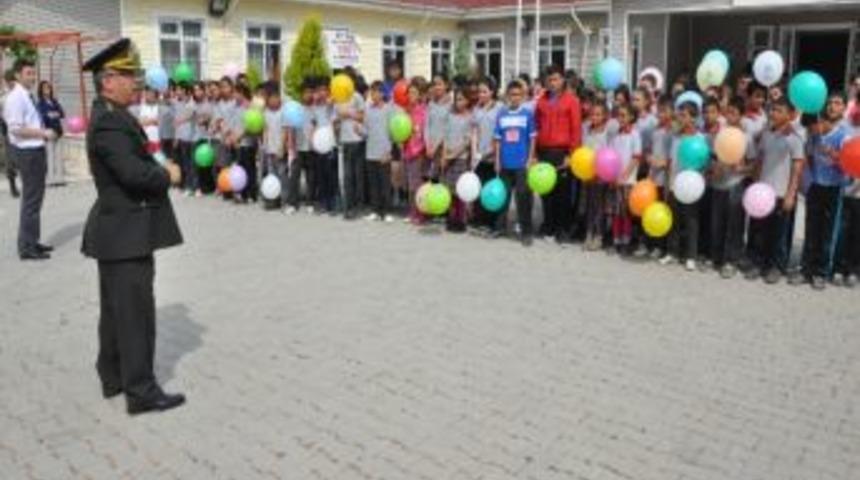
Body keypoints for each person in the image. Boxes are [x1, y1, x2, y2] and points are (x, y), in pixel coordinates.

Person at [80, 38, 185, 414]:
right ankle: (140, 391)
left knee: (115, 310)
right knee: (135, 313)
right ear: (107, 80)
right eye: (127, 76)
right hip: (125, 233)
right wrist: (166, 174)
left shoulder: (109, 115)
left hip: (118, 231)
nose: (135, 82)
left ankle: (112, 376)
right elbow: (132, 173)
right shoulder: (110, 121)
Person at [746, 98, 805, 284]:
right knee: (760, 231)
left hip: (781, 193)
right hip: (763, 193)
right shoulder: (766, 134)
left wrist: (790, 194)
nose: (773, 114)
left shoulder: (795, 138)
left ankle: (775, 267)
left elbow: (797, 168)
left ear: (789, 114)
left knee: (778, 233)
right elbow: (760, 161)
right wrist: (754, 184)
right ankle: (758, 263)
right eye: (772, 110)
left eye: (779, 111)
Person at [3, 58, 55, 260]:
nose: (33, 77)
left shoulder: (26, 95)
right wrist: (42, 133)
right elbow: (15, 129)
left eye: (33, 73)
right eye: (28, 73)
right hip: (28, 153)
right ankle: (26, 248)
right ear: (17, 75)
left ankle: (32, 241)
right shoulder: (15, 98)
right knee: (31, 201)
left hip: (34, 151)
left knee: (35, 199)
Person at [790, 110, 846, 289]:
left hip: (833, 189)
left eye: (814, 127)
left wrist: (834, 155)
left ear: (822, 121)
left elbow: (849, 164)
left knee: (826, 232)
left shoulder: (841, 136)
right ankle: (806, 269)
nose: (812, 132)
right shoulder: (813, 137)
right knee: (811, 229)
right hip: (815, 188)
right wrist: (809, 181)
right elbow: (810, 157)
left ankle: (821, 272)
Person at [535, 64, 582, 244]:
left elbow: (576, 130)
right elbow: (536, 126)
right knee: (546, 191)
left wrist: (571, 155)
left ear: (563, 80)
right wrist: (535, 153)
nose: (552, 83)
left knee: (562, 193)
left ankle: (562, 228)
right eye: (549, 80)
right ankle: (548, 225)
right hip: (544, 151)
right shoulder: (541, 101)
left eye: (555, 79)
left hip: (562, 152)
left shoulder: (572, 101)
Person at [709, 96, 753, 279]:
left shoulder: (746, 138)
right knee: (717, 223)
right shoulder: (720, 134)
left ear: (741, 116)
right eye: (728, 112)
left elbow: (754, 165)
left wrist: (741, 168)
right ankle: (717, 257)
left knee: (735, 224)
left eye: (734, 113)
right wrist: (714, 168)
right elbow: (712, 158)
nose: (730, 116)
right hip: (719, 185)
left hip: (736, 185)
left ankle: (731, 260)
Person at [661, 101, 703, 271]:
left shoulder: (700, 139)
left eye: (684, 115)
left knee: (691, 220)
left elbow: (703, 163)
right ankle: (672, 251)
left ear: (693, 118)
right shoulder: (675, 137)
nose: (680, 118)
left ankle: (691, 255)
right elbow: (671, 162)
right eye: (679, 115)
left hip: (691, 187)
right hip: (674, 184)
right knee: (674, 219)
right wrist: (667, 184)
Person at [493, 80, 537, 246]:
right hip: (505, 163)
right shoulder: (502, 115)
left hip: (521, 164)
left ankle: (526, 231)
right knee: (502, 198)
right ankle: (500, 227)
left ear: (523, 96)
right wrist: (497, 160)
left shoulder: (527, 115)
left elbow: (532, 139)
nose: (515, 97)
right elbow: (497, 140)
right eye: (512, 94)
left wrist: (530, 159)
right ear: (507, 96)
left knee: (523, 198)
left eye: (518, 95)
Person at [609, 103, 642, 255]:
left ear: (631, 117)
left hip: (628, 181)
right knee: (616, 211)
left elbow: (636, 158)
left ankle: (626, 240)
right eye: (618, 115)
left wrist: (624, 176)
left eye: (623, 115)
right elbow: (611, 158)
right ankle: (616, 239)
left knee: (626, 212)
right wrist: (613, 176)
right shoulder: (616, 135)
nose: (620, 118)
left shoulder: (635, 134)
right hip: (616, 180)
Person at [471, 77, 503, 233]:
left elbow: (500, 133)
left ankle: (492, 223)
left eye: (485, 91)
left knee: (492, 190)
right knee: (479, 188)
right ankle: (480, 221)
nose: (481, 94)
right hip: (479, 157)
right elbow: (474, 132)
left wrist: (491, 151)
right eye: (479, 92)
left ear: (492, 91)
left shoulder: (500, 108)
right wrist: (474, 151)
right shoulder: (476, 109)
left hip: (493, 156)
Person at [646, 95, 675, 259]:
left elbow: (674, 155)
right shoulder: (655, 130)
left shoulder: (674, 132)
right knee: (653, 209)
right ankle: (654, 244)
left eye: (664, 111)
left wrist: (663, 163)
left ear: (672, 112)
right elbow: (649, 149)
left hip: (667, 177)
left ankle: (665, 247)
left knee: (665, 210)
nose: (661, 114)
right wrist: (649, 157)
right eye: (659, 111)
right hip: (653, 176)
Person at [363, 81, 395, 222]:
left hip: (384, 153)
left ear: (382, 93)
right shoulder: (368, 110)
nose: (373, 94)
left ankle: (387, 211)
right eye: (372, 92)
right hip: (371, 152)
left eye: (376, 92)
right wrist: (359, 131)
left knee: (385, 184)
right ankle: (375, 210)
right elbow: (366, 131)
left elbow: (393, 133)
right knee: (373, 184)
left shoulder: (389, 110)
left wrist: (389, 152)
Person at [286, 78, 317, 214]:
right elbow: (291, 129)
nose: (308, 95)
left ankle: (310, 202)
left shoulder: (315, 109)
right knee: (294, 177)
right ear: (301, 94)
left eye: (311, 92)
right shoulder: (296, 108)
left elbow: (317, 127)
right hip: (298, 148)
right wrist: (291, 147)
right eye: (306, 92)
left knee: (311, 177)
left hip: (311, 149)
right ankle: (293, 203)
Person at [337, 72, 366, 220]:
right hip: (345, 141)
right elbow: (336, 118)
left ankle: (358, 206)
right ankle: (348, 207)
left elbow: (363, 117)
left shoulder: (357, 97)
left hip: (357, 140)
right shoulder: (338, 96)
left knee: (357, 176)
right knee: (347, 176)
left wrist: (349, 114)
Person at [402, 78, 427, 224]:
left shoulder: (423, 110)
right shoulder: (406, 110)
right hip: (407, 150)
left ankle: (420, 213)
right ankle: (412, 212)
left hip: (418, 151)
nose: (411, 95)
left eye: (414, 92)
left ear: (420, 95)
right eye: (409, 92)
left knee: (417, 185)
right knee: (410, 185)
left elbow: (423, 132)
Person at [232, 85, 259, 203]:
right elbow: (235, 124)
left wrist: (239, 137)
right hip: (239, 143)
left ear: (242, 93)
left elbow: (250, 125)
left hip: (248, 143)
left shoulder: (250, 107)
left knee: (250, 169)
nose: (234, 96)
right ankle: (242, 193)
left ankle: (251, 194)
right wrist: (234, 138)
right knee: (241, 169)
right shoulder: (237, 107)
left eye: (235, 93)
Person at [262, 87, 288, 208]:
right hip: (269, 149)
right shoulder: (265, 113)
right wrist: (265, 145)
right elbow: (265, 130)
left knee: (282, 175)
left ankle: (284, 200)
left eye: (276, 98)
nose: (273, 100)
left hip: (279, 149)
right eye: (271, 98)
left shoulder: (283, 112)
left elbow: (284, 131)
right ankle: (273, 199)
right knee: (272, 175)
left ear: (279, 99)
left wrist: (281, 147)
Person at [36, 81, 66, 186]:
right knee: (50, 156)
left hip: (58, 130)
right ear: (41, 90)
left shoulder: (55, 101)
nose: (47, 89)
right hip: (49, 132)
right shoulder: (40, 103)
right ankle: (51, 179)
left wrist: (52, 114)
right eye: (45, 88)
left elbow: (62, 113)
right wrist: (54, 114)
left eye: (49, 87)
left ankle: (60, 178)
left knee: (59, 156)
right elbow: (44, 117)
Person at [425, 73, 451, 182]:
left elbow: (447, 129)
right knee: (431, 182)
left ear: (446, 85)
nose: (437, 87)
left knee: (443, 184)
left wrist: (436, 147)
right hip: (429, 150)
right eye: (435, 84)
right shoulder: (431, 104)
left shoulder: (451, 105)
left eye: (440, 84)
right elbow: (427, 125)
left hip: (443, 150)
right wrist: (427, 145)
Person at [191, 82, 213, 195]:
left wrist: (204, 119)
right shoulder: (193, 104)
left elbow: (209, 118)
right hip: (195, 137)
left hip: (205, 137)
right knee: (195, 163)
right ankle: (196, 187)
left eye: (199, 90)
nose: (197, 92)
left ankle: (205, 187)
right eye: (195, 90)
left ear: (204, 91)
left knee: (205, 164)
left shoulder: (208, 105)